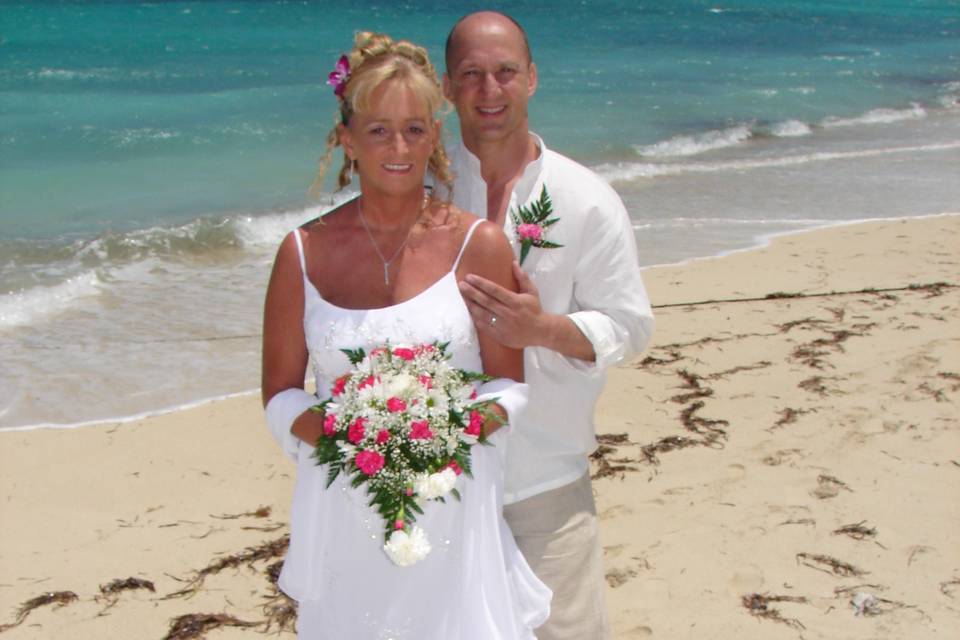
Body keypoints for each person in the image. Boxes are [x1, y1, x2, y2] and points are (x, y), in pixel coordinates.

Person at [261, 32, 550, 639]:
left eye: (416, 129)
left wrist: (441, 437)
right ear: (347, 139)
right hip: (346, 511)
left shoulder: (480, 245)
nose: (399, 148)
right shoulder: (300, 253)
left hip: (452, 509)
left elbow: (510, 385)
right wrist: (357, 439)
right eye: (379, 130)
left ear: (435, 137)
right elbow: (281, 395)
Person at [442, 12, 655, 639]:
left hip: (546, 483)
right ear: (448, 88)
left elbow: (630, 325)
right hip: (439, 481)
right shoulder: (418, 188)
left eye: (505, 71)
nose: (490, 89)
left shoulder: (584, 197)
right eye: (471, 74)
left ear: (532, 78)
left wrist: (543, 329)